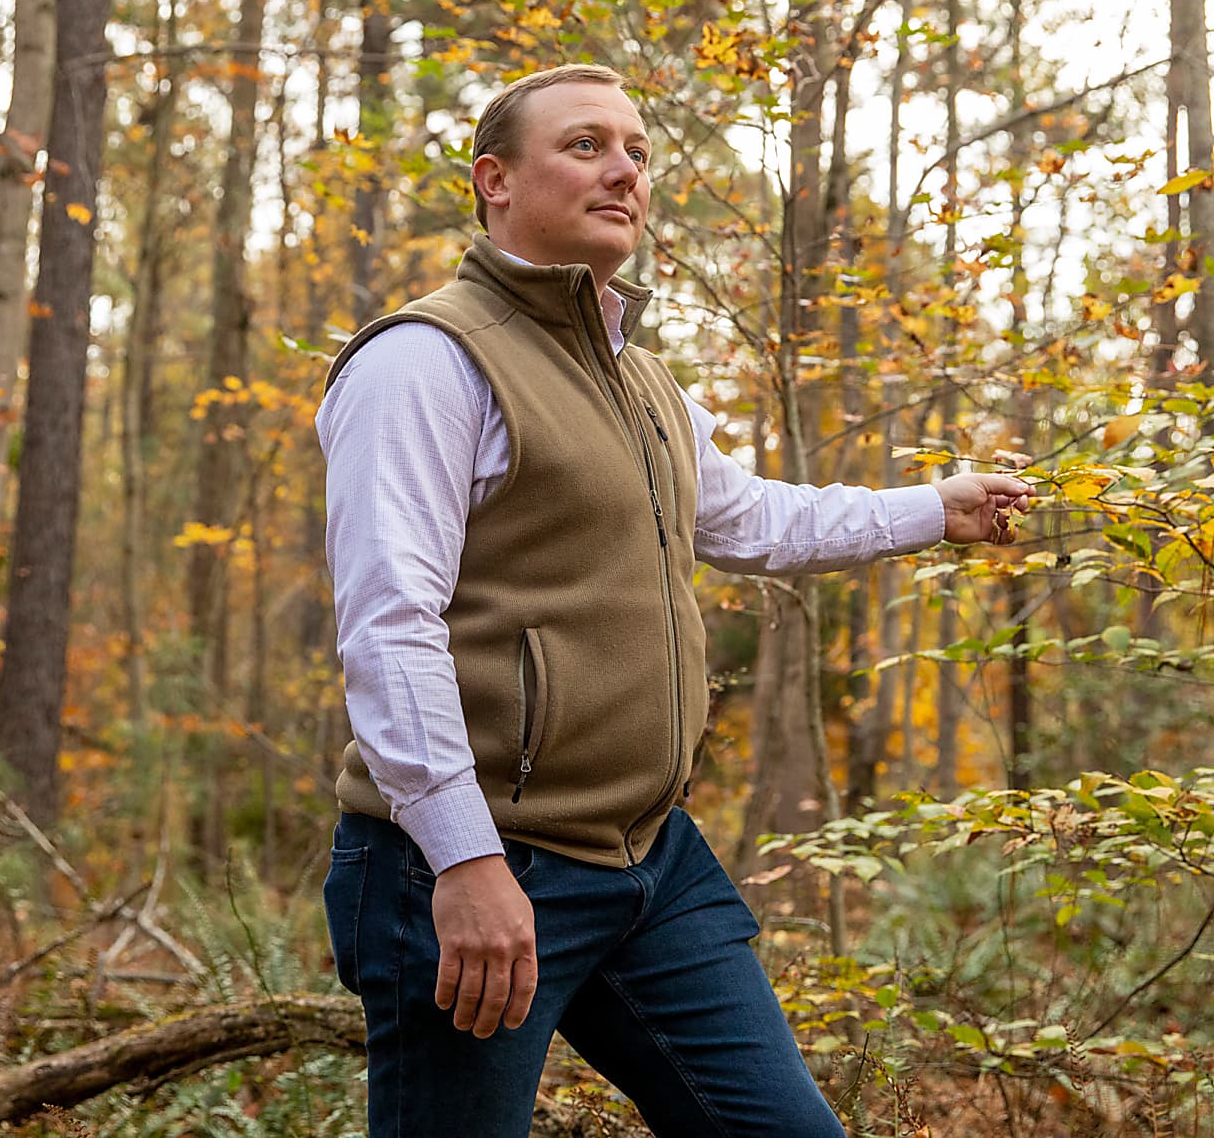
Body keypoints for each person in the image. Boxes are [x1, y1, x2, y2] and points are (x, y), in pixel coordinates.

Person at [317, 63, 1032, 1137]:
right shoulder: (424, 361)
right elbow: (388, 625)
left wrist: (937, 507)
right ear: (493, 179)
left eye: (638, 152)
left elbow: (750, 519)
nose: (624, 172)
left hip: (646, 857)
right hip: (468, 862)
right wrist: (463, 861)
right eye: (586, 144)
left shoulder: (638, 376)